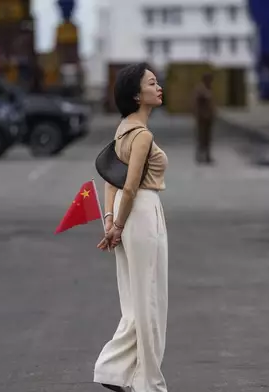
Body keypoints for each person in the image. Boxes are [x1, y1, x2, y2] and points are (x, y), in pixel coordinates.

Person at [94, 62, 169, 392]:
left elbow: (111, 180)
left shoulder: (122, 128)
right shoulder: (142, 135)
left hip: (128, 217)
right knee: (150, 301)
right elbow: (130, 186)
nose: (159, 87)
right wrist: (119, 225)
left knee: (137, 301)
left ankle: (118, 372)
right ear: (137, 94)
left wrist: (109, 221)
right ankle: (148, 383)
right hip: (142, 212)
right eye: (152, 83)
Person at [192, 72, 216, 164]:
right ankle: (200, 157)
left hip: (208, 117)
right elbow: (196, 103)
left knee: (207, 138)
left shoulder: (209, 88)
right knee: (201, 137)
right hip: (202, 117)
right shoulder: (201, 89)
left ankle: (207, 156)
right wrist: (197, 114)